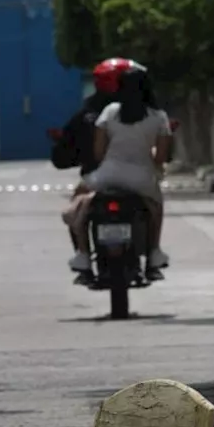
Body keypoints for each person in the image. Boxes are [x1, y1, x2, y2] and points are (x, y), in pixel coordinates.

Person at [70, 68, 172, 279]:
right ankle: (153, 255)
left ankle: (83, 255)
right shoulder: (159, 117)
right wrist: (153, 166)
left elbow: (99, 152)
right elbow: (161, 157)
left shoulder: (110, 112)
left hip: (108, 174)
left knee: (79, 200)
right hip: (142, 179)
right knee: (156, 208)